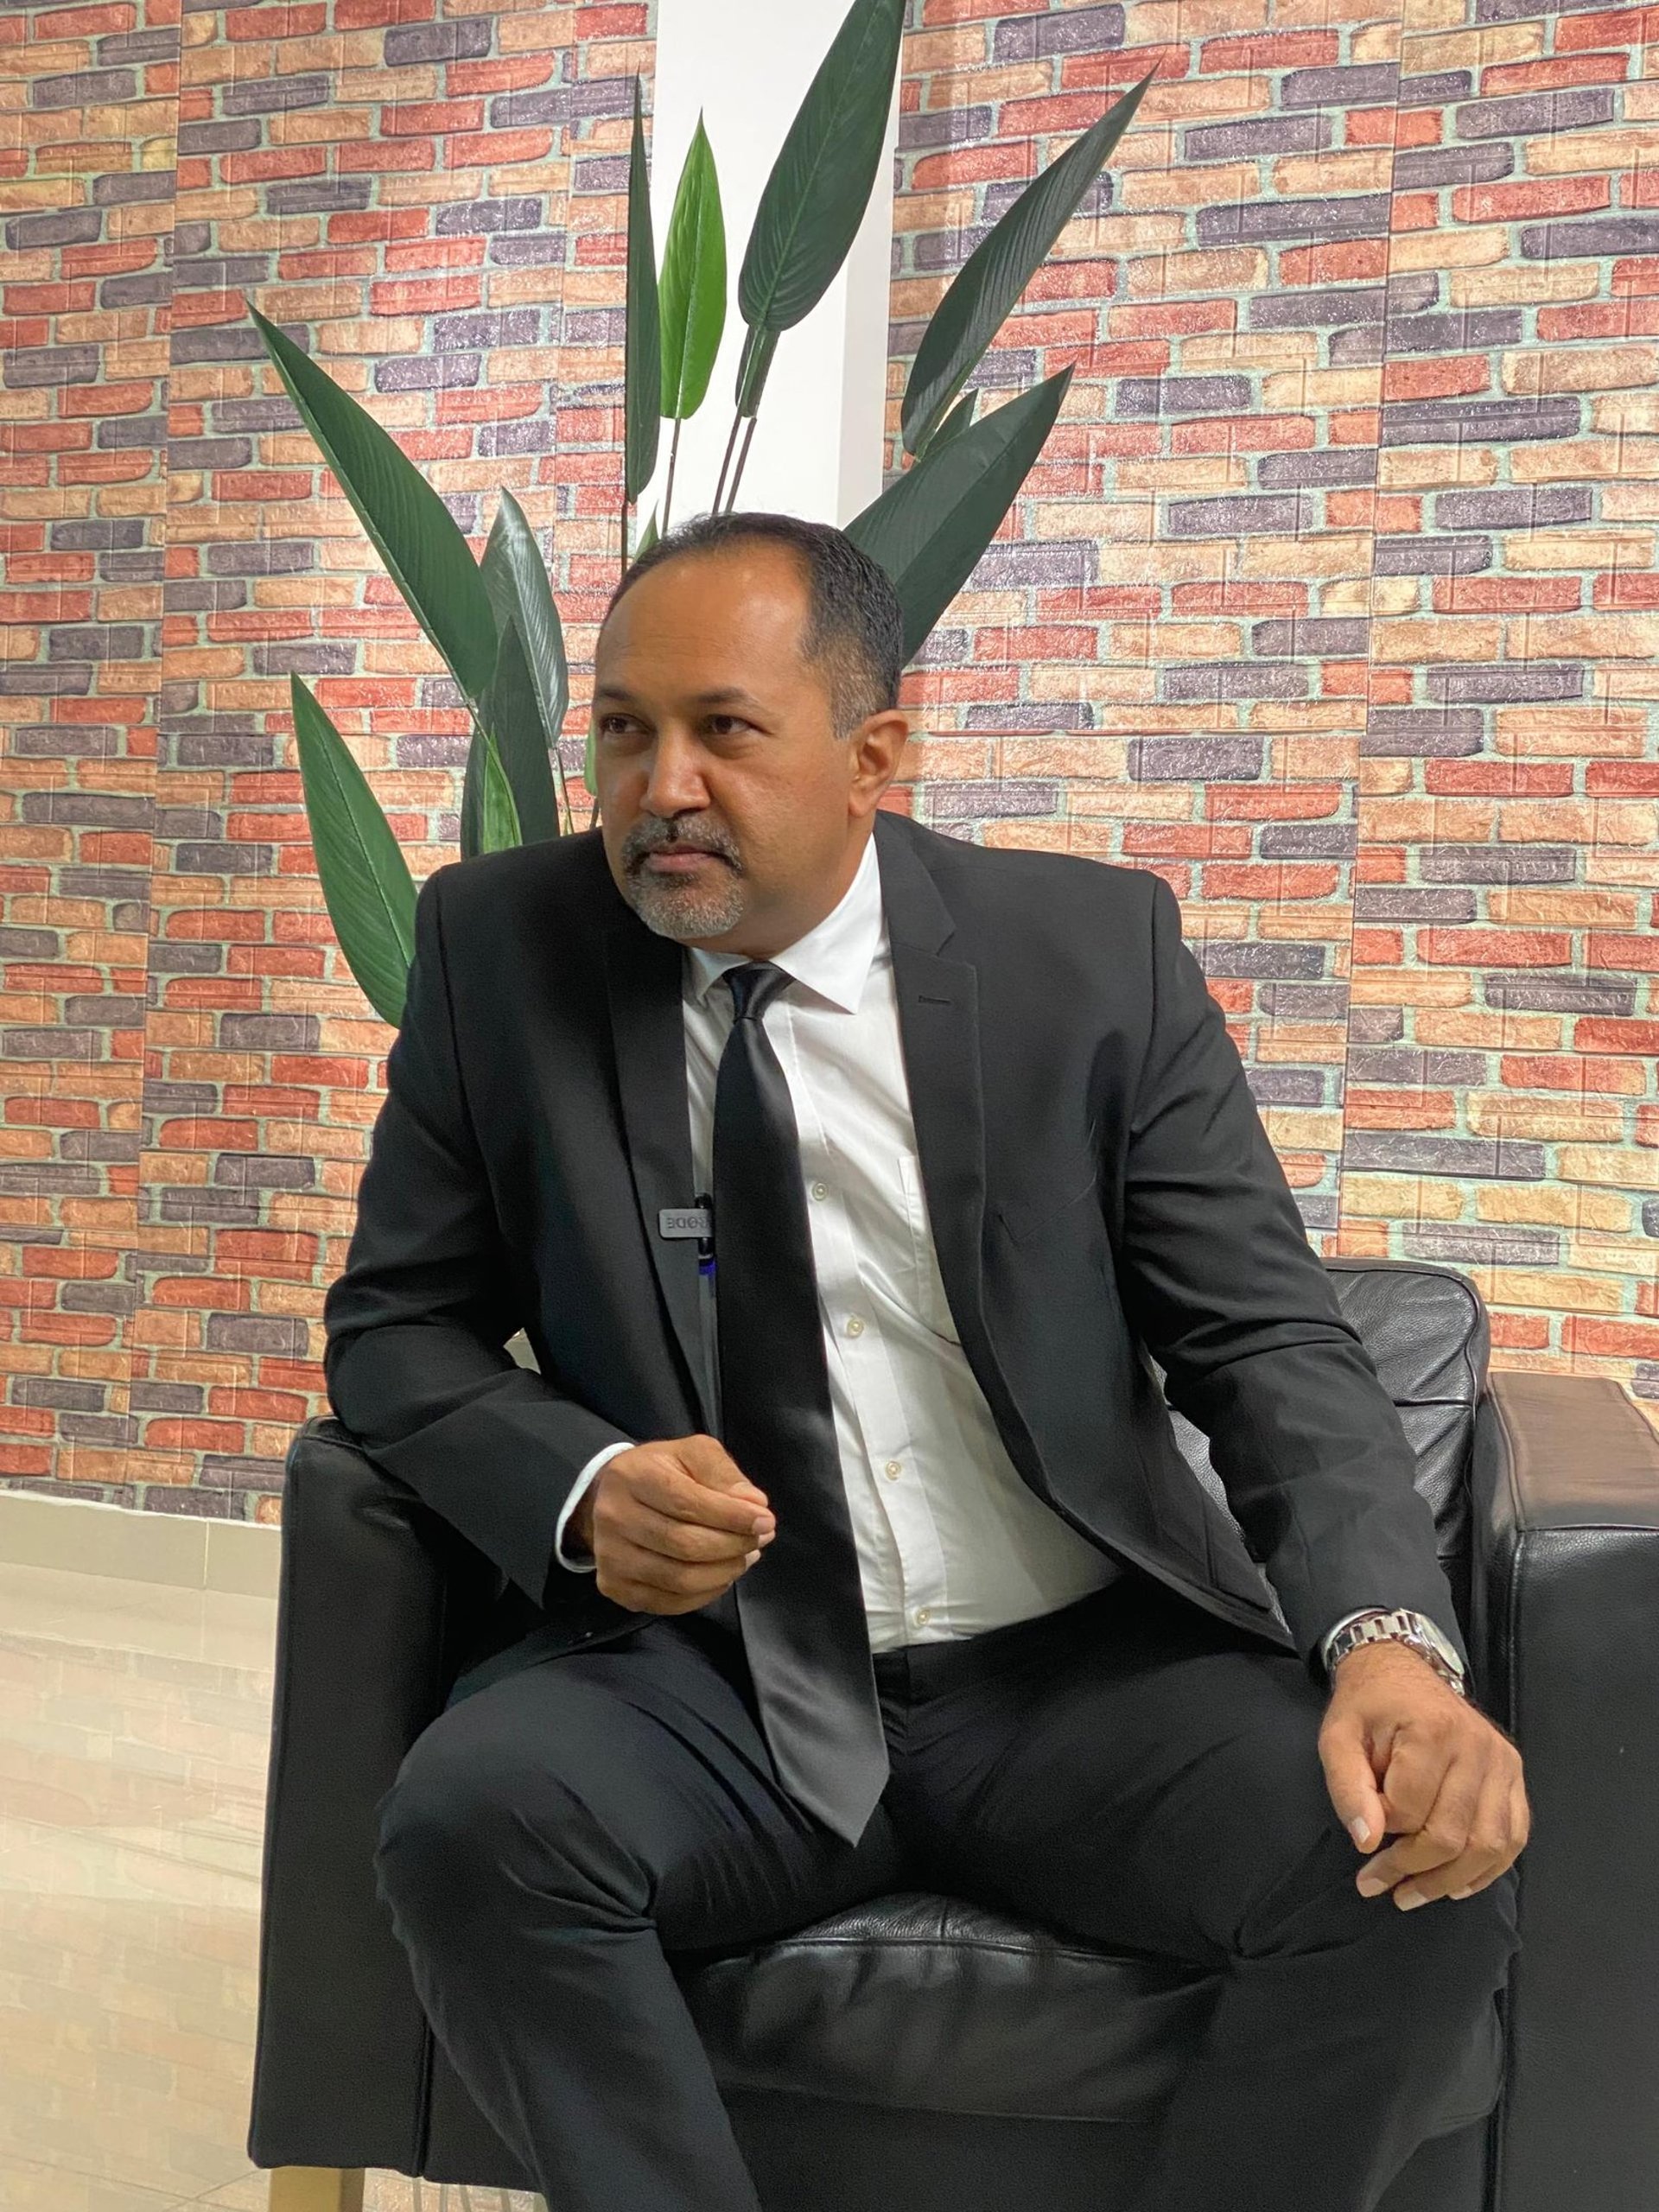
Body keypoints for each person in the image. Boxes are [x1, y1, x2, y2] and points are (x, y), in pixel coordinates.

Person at [324, 510, 1527, 2212]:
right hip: (707, 1681)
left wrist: (1391, 1644)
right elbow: (393, 1329)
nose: (660, 783)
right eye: (621, 727)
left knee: (1417, 1872)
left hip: (1073, 1673)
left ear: (875, 750)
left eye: (724, 728)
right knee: (470, 1820)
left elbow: (1263, 1331)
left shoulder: (1085, 960)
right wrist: (579, 1486)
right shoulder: (494, 953)